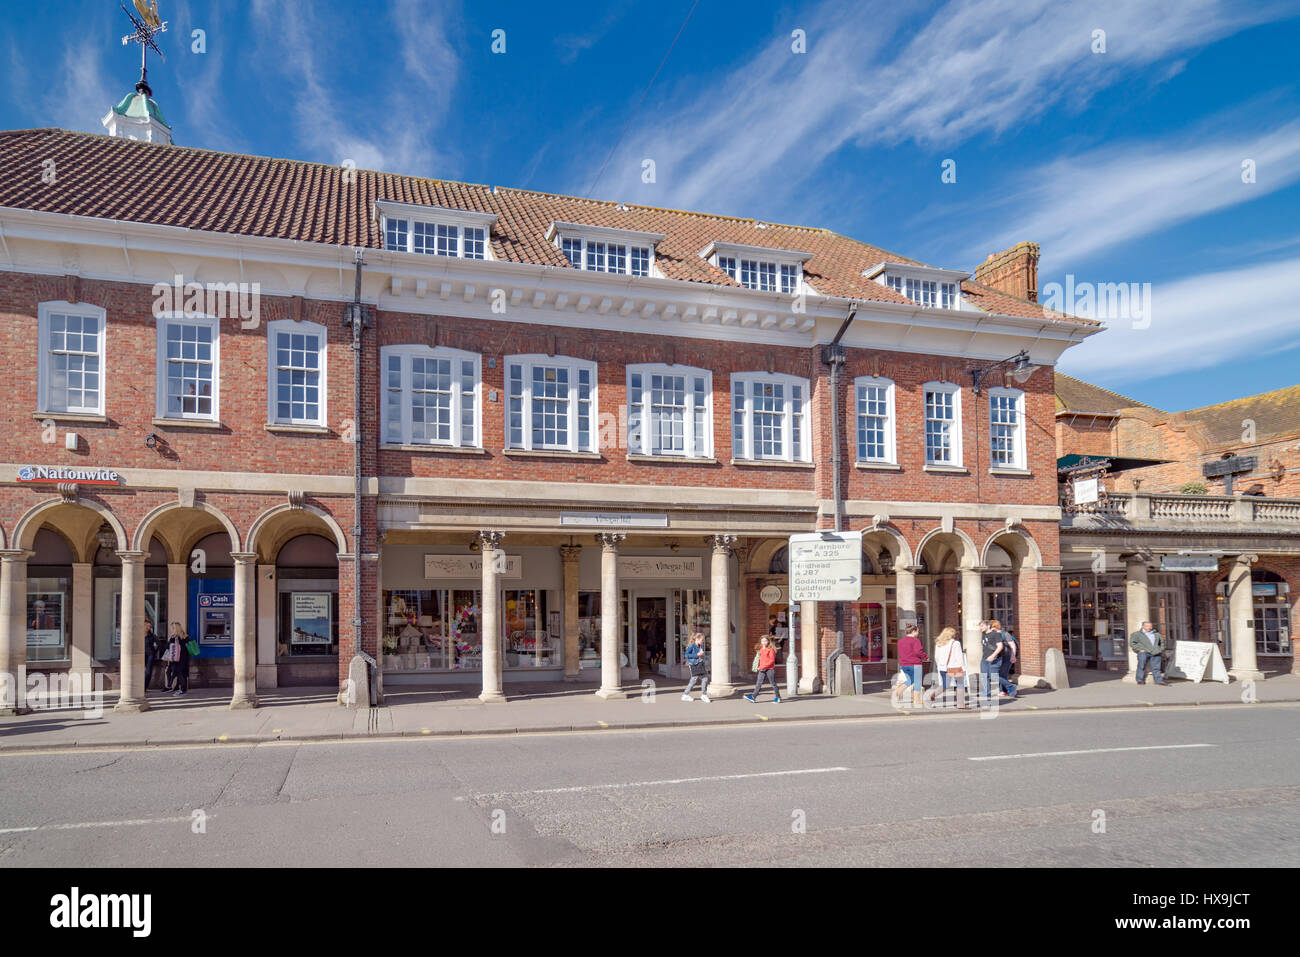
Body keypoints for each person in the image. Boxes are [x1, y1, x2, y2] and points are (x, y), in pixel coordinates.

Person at [891, 624, 928, 708]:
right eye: (918, 631)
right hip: (915, 664)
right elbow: (918, 652)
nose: (918, 633)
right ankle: (917, 700)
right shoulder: (916, 641)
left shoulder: (900, 641)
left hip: (904, 664)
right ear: (913, 631)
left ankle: (897, 693)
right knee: (917, 681)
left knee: (910, 680)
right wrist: (926, 656)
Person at [932, 626, 970, 710]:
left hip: (942, 667)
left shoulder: (939, 643)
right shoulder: (955, 643)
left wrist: (940, 665)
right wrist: (962, 668)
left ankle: (933, 694)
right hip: (954, 667)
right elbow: (959, 657)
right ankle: (960, 704)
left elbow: (936, 657)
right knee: (960, 685)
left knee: (945, 685)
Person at [979, 620, 1013, 701]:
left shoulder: (996, 634)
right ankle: (987, 693)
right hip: (984, 658)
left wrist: (993, 656)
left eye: (982, 626)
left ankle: (1010, 686)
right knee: (984, 676)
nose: (981, 628)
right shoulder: (983, 635)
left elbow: (1000, 646)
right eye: (980, 626)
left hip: (995, 659)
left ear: (988, 626)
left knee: (993, 676)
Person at [1130, 620, 1170, 685]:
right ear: (1143, 626)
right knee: (1141, 666)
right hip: (1143, 652)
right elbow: (1132, 643)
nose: (1149, 627)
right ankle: (1140, 680)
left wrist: (1160, 649)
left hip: (1156, 652)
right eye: (1147, 626)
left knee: (1156, 667)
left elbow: (1162, 643)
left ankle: (1159, 681)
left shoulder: (1156, 634)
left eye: (1150, 626)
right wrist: (1140, 649)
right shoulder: (1136, 634)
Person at [745, 635, 781, 704]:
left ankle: (778, 697)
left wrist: (762, 667)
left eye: (765, 641)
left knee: (773, 684)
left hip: (770, 669)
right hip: (762, 669)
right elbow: (759, 659)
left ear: (768, 641)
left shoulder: (771, 649)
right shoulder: (761, 649)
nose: (763, 642)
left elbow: (771, 661)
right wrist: (758, 666)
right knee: (758, 683)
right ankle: (753, 697)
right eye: (762, 641)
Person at [990, 618, 1018, 697]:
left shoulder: (1005, 634)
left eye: (990, 626)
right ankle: (1006, 689)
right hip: (998, 657)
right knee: (999, 674)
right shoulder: (993, 635)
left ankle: (1006, 690)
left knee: (1003, 674)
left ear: (994, 626)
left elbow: (1012, 645)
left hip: (1006, 656)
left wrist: (1013, 656)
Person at [682, 631, 710, 702]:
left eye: (703, 640)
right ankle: (685, 695)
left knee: (705, 678)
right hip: (694, 665)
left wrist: (701, 655)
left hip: (700, 664)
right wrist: (697, 655)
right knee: (694, 680)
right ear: (697, 639)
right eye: (702, 640)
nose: (703, 641)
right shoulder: (692, 646)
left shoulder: (699, 646)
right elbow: (686, 655)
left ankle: (704, 695)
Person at [166, 622, 190, 697]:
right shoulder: (185, 636)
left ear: (175, 628)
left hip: (177, 658)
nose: (171, 630)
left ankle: (181, 689)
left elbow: (169, 647)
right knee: (183, 673)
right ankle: (182, 688)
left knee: (179, 673)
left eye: (172, 628)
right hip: (185, 658)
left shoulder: (174, 638)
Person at [142, 620, 158, 692]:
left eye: (149, 626)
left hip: (150, 655)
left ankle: (144, 688)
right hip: (140, 655)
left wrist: (155, 651)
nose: (148, 627)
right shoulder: (138, 635)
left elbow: (159, 644)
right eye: (147, 626)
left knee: (148, 672)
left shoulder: (152, 635)